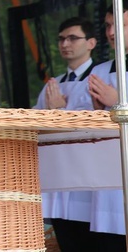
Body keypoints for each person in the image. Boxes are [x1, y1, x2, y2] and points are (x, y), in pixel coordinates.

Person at [33, 16, 98, 251]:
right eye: (61, 39)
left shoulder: (101, 78)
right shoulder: (54, 84)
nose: (65, 44)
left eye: (72, 38)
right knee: (67, 240)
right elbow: (35, 124)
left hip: (90, 175)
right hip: (60, 176)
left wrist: (60, 112)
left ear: (91, 42)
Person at [82, 0, 128, 251]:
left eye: (120, 25)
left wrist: (117, 104)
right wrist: (99, 112)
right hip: (108, 175)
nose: (111, 32)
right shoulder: (99, 71)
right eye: (109, 25)